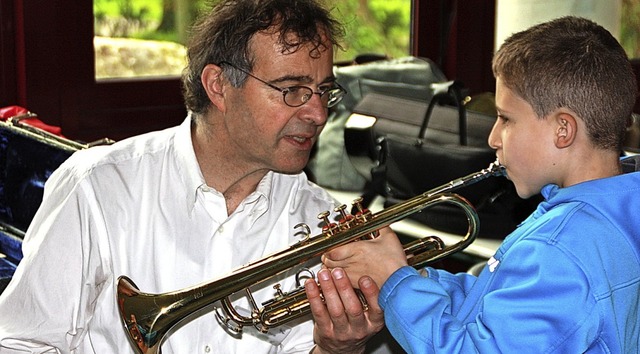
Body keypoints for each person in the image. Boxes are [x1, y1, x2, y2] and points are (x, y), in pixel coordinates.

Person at [0, 0, 384, 353]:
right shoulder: (100, 185)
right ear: (218, 86)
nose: (317, 114)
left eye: (323, 91)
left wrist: (337, 348)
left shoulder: (323, 222)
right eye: (292, 90)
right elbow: (19, 342)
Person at [318, 16, 640, 353]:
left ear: (563, 130)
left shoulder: (558, 249)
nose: (493, 138)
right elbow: (499, 301)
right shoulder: (613, 212)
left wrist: (396, 285)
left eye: (506, 119)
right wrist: (413, 278)